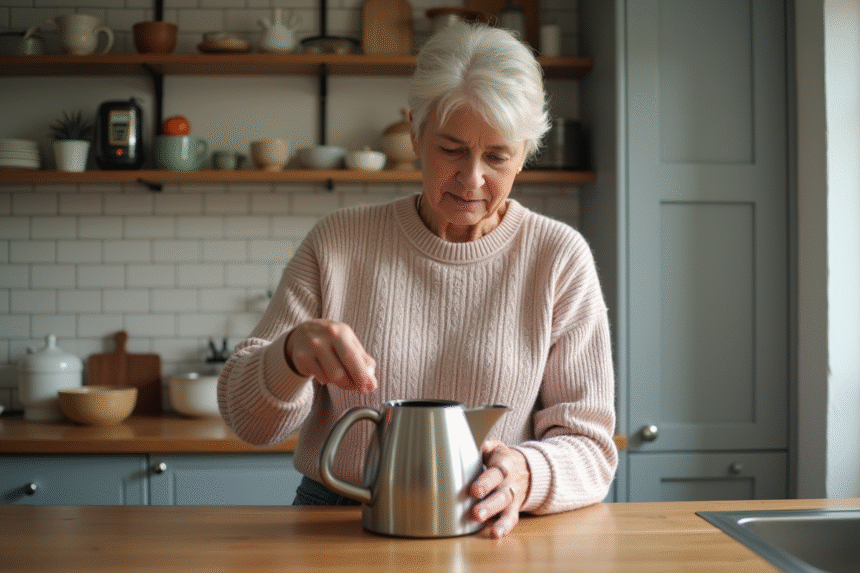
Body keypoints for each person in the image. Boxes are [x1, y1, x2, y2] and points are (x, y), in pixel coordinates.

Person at [218, 21, 617, 539]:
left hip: (487, 521)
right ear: (415, 132)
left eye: (497, 156)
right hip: (338, 521)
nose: (472, 180)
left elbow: (591, 447)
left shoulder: (558, 258)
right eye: (451, 150)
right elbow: (248, 422)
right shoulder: (337, 243)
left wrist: (526, 472)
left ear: (525, 152)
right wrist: (290, 355)